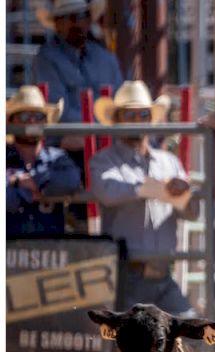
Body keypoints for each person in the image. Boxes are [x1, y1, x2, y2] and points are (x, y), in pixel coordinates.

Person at [89, 80, 197, 314]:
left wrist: (187, 193)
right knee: (131, 345)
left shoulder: (170, 161)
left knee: (191, 332)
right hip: (126, 275)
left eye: (143, 114)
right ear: (117, 119)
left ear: (151, 118)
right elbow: (107, 191)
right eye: (130, 114)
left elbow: (191, 211)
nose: (138, 120)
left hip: (163, 275)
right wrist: (156, 188)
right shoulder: (103, 160)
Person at [33, 0, 123, 157]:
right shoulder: (46, 59)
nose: (77, 23)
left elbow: (122, 101)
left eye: (81, 16)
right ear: (57, 23)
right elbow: (59, 112)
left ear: (89, 19)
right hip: (70, 148)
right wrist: (102, 130)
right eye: (68, 17)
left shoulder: (106, 58)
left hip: (109, 141)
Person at [6, 86, 81, 236]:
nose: (32, 121)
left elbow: (71, 181)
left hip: (51, 253)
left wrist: (20, 183)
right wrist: (41, 190)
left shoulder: (58, 157)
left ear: (46, 122)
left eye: (39, 117)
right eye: (24, 117)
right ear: (10, 122)